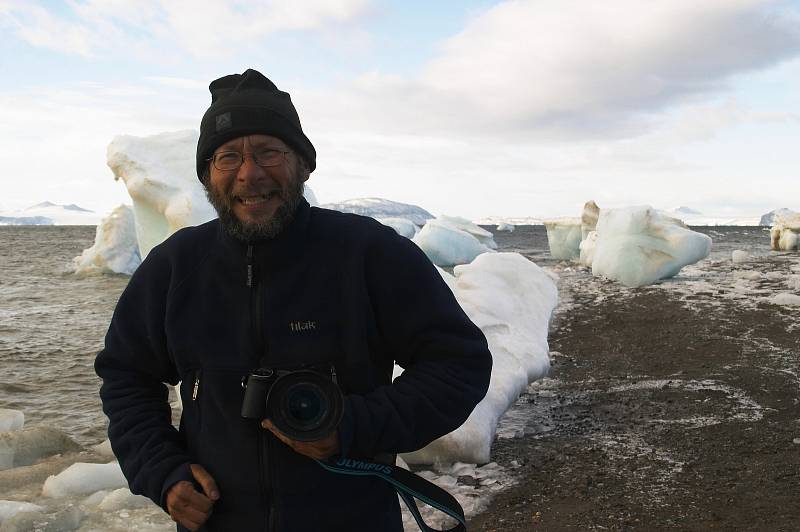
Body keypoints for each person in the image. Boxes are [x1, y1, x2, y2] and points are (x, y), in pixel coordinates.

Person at [95, 68, 492, 532]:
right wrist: (162, 471)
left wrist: (352, 425)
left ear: (303, 164)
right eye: (228, 157)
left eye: (269, 152)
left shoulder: (368, 254)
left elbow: (458, 364)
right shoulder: (176, 267)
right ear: (207, 175)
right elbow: (126, 375)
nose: (249, 173)